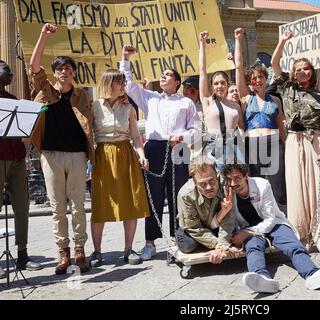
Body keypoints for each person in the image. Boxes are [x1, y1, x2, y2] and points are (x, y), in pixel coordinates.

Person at [269, 31, 320, 260]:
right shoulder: (286, 88)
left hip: (316, 143)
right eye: (298, 69)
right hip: (294, 143)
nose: (302, 72)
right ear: (293, 74)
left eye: (306, 68)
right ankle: (304, 236)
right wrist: (283, 41)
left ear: (311, 72)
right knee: (298, 190)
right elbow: (275, 63)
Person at [120, 45, 201, 260]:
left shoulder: (186, 102)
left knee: (179, 195)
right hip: (155, 148)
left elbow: (197, 129)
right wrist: (125, 58)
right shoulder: (150, 97)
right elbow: (128, 85)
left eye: (168, 75)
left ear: (177, 82)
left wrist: (182, 137)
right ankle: (150, 242)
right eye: (162, 75)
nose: (163, 77)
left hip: (179, 147)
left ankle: (178, 239)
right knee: (153, 195)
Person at [221, 164, 320, 293]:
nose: (233, 183)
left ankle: (312, 274)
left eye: (237, 178)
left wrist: (247, 233)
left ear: (246, 176)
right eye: (229, 179)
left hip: (273, 224)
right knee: (253, 247)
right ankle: (261, 279)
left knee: (293, 245)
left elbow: (270, 219)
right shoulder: (227, 192)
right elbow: (222, 221)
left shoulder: (262, 185)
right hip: (249, 228)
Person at [29, 23, 93, 274]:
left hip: (77, 155)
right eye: (59, 69)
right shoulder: (46, 90)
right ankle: (62, 251)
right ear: (54, 74)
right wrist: (43, 36)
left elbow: (92, 126)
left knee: (78, 205)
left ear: (74, 73)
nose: (64, 72)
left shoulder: (83, 96)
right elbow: (34, 67)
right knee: (57, 207)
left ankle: (80, 250)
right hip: (51, 154)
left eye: (68, 68)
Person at [89, 69, 150, 267]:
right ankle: (97, 251)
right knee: (100, 204)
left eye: (124, 82)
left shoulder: (128, 107)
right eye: (120, 82)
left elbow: (135, 137)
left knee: (130, 203)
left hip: (125, 154)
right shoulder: (94, 106)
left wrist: (141, 155)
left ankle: (128, 249)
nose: (124, 86)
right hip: (102, 156)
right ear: (109, 83)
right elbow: (88, 135)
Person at [234, 28, 288, 214]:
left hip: (274, 144)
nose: (257, 80)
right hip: (253, 144)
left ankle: (282, 221)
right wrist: (239, 40)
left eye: (260, 77)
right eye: (254, 78)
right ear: (250, 83)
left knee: (279, 188)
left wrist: (286, 146)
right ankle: (257, 221)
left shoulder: (276, 100)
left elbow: (281, 126)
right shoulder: (246, 98)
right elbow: (239, 67)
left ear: (266, 78)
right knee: (255, 186)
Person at [0, 60, 43, 279]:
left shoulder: (13, 100)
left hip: (17, 157)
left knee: (22, 205)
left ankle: (23, 253)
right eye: (7, 71)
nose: (12, 74)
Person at [176, 157, 241, 264]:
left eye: (212, 181)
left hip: (217, 223)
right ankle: (210, 242)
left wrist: (223, 244)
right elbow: (193, 227)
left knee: (235, 238)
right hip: (194, 227)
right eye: (202, 184)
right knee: (187, 245)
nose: (208, 187)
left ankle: (211, 242)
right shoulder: (185, 195)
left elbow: (229, 217)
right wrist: (219, 245)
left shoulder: (225, 184)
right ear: (194, 181)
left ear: (217, 174)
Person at [198, 31, 245, 166]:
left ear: (228, 84)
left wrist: (238, 40)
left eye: (223, 83)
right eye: (216, 83)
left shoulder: (235, 105)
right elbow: (202, 72)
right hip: (213, 149)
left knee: (234, 185)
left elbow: (242, 128)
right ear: (212, 86)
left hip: (235, 149)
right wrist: (202, 43)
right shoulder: (207, 101)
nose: (219, 86)